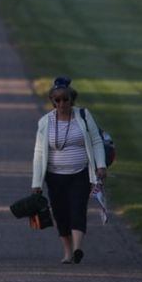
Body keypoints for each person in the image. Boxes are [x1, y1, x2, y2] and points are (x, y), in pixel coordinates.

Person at [32, 77, 107, 264]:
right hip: (54, 176)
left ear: (71, 99)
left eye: (65, 99)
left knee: (77, 209)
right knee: (60, 213)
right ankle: (68, 252)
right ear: (52, 101)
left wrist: (101, 165)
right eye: (57, 100)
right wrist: (36, 183)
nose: (62, 103)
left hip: (80, 174)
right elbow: (39, 154)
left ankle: (78, 248)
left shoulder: (83, 116)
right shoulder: (45, 122)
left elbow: (97, 141)